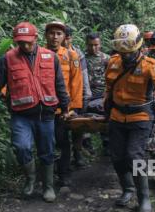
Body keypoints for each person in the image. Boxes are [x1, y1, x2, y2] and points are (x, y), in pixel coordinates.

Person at [0, 21, 70, 203]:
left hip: (46, 114)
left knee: (47, 150)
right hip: (21, 115)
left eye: (28, 42)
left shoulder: (51, 57)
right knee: (21, 146)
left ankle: (48, 186)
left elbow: (59, 84)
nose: (25, 45)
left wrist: (66, 107)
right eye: (21, 42)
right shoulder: (8, 58)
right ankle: (30, 179)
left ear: (36, 39)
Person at [105, 24, 155, 212]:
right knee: (117, 157)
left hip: (140, 117)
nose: (126, 57)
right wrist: (106, 107)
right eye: (123, 53)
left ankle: (144, 198)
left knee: (134, 156)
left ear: (138, 47)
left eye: (129, 53)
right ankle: (127, 189)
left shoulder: (151, 66)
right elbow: (109, 88)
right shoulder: (113, 62)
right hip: (116, 116)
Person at [45, 21, 83, 187]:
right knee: (45, 141)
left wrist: (72, 108)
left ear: (64, 37)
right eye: (51, 33)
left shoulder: (71, 56)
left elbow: (76, 83)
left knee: (62, 141)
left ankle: (64, 173)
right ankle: (47, 173)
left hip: (62, 108)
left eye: (59, 34)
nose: (55, 37)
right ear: (46, 35)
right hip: (43, 107)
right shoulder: (39, 53)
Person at [64, 26, 90, 167]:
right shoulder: (50, 52)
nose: (65, 41)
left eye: (68, 38)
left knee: (77, 128)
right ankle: (64, 158)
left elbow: (84, 77)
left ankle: (78, 154)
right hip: (59, 98)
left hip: (76, 96)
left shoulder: (77, 54)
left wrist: (86, 96)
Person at [82, 32, 111, 154]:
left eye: (96, 45)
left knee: (104, 119)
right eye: (90, 45)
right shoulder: (82, 58)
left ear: (100, 44)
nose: (93, 48)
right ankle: (87, 146)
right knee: (84, 120)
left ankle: (107, 144)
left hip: (102, 94)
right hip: (86, 95)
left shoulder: (107, 59)